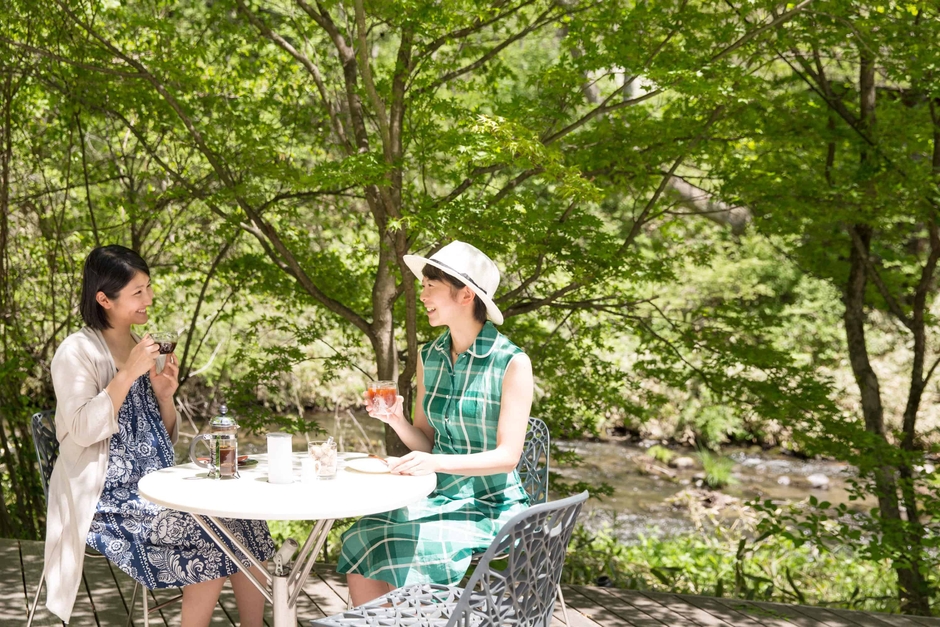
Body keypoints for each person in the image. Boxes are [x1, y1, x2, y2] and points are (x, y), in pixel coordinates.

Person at [43, 245, 275, 627]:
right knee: (210, 529)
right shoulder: (76, 352)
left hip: (159, 487)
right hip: (110, 502)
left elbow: (159, 437)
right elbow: (83, 430)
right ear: (104, 299)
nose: (149, 298)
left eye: (148, 287)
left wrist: (165, 397)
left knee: (246, 517)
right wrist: (127, 374)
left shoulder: (140, 346)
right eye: (138, 292)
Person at [337, 240, 534, 605]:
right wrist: (396, 420)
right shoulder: (430, 356)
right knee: (360, 537)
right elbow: (426, 441)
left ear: (466, 295)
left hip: (489, 504)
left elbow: (508, 457)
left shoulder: (512, 362)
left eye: (432, 286)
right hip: (437, 496)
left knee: (409, 551)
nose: (422, 294)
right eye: (423, 285)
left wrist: (436, 463)